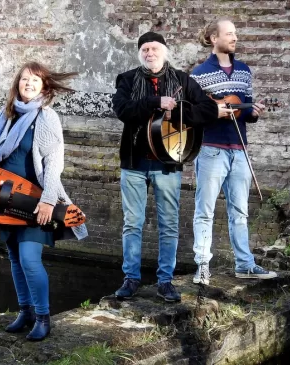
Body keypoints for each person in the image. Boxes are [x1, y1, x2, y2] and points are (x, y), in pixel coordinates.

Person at [0, 61, 88, 341]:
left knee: (30, 259)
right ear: (16, 84)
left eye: (35, 80)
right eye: (24, 79)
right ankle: (26, 312)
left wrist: (47, 201)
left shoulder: (47, 117)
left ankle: (43, 317)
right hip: (4, 201)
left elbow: (55, 165)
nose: (28, 84)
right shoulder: (4, 117)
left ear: (44, 86)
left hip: (33, 201)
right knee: (16, 260)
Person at [112, 32, 220, 302]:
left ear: (165, 51)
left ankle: (165, 281)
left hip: (168, 163)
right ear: (140, 54)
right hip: (134, 163)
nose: (150, 53)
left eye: (154, 48)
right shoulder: (127, 79)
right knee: (132, 224)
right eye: (145, 49)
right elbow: (122, 109)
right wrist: (154, 103)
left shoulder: (183, 81)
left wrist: (180, 113)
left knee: (169, 224)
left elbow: (207, 109)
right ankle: (131, 279)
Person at [190, 18, 277, 285]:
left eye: (235, 34)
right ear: (214, 38)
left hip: (239, 151)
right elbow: (193, 114)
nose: (235, 38)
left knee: (240, 211)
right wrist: (214, 111)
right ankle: (202, 266)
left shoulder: (244, 71)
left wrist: (254, 112)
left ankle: (245, 264)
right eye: (229, 34)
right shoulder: (199, 73)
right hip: (211, 150)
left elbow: (246, 114)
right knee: (204, 211)